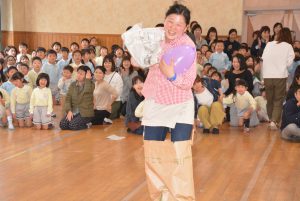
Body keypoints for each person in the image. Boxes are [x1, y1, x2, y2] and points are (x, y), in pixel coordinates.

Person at [140, 3, 196, 200]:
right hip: (155, 103)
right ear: (164, 21)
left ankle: (181, 198)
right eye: (170, 21)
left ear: (186, 27)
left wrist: (172, 76)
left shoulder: (188, 46)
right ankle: (160, 196)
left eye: (179, 24)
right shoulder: (155, 38)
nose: (173, 27)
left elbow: (188, 82)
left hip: (180, 104)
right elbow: (143, 61)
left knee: (180, 156)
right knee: (153, 155)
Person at [262, 27, 295, 130]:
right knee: (278, 99)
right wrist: (282, 64)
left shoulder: (269, 44)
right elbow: (290, 62)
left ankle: (271, 119)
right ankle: (274, 121)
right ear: (288, 36)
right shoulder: (288, 46)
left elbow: (263, 58)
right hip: (280, 75)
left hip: (267, 75)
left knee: (270, 99)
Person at [59, 66, 94, 130]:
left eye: (81, 74)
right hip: (74, 111)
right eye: (78, 73)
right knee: (63, 125)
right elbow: (68, 99)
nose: (78, 75)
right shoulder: (73, 84)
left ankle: (87, 124)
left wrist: (88, 80)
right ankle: (76, 120)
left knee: (73, 125)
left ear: (87, 75)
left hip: (85, 113)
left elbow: (87, 91)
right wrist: (69, 111)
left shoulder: (91, 84)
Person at [103, 55, 123, 120]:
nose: (107, 64)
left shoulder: (117, 76)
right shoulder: (101, 75)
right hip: (101, 101)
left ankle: (117, 113)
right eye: (105, 62)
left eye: (109, 62)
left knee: (104, 116)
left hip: (114, 101)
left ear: (112, 64)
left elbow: (116, 94)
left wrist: (108, 104)